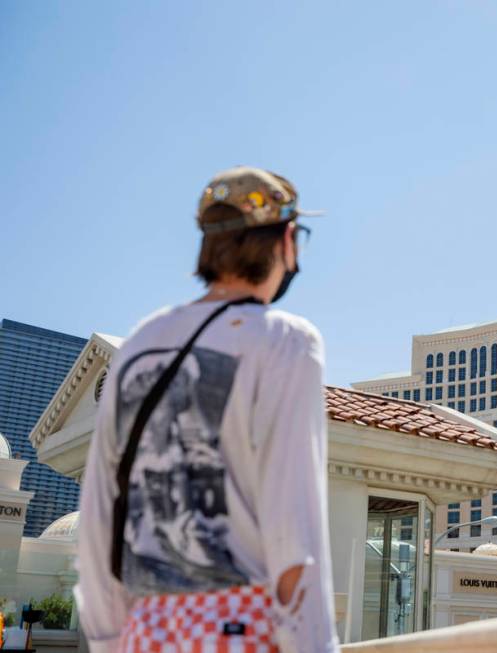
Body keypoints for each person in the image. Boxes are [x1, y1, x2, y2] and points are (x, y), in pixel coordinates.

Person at [75, 166, 339, 652]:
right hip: (243, 628)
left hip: (145, 632)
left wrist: (110, 640)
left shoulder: (140, 343)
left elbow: (98, 516)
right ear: (285, 241)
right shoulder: (287, 342)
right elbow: (293, 531)